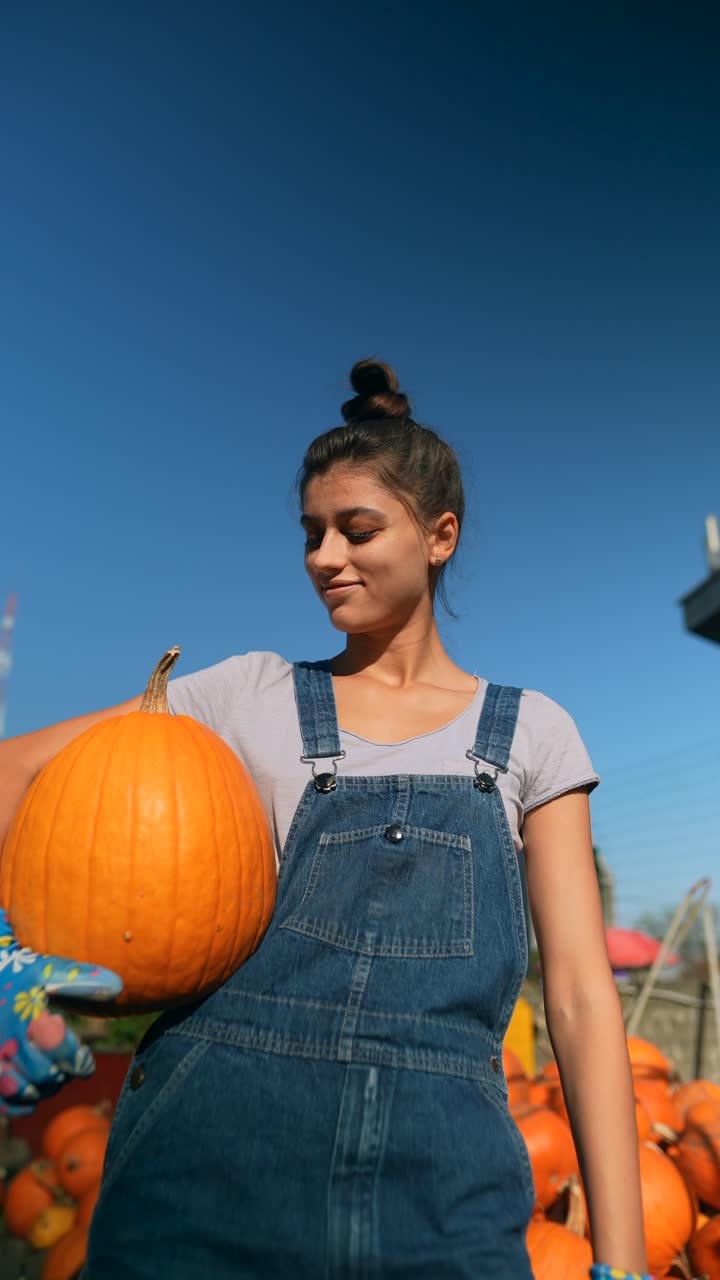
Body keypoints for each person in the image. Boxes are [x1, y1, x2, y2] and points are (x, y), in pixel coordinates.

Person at [0, 360, 652, 1280]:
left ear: (440, 536)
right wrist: (2, 949)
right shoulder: (246, 692)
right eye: (312, 534)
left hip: (444, 1201)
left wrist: (619, 1262)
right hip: (202, 1173)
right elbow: (15, 771)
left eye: (357, 530)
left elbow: (582, 1002)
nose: (323, 559)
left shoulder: (528, 733)